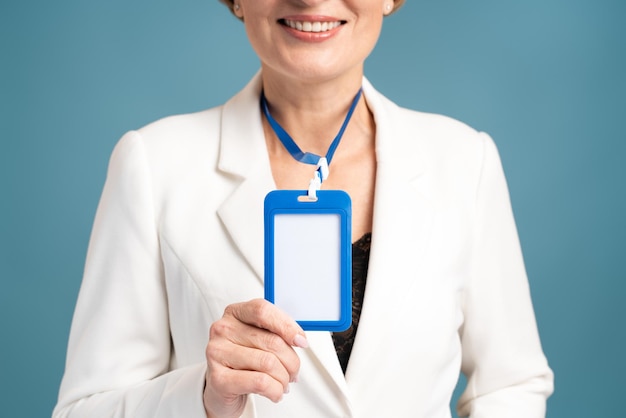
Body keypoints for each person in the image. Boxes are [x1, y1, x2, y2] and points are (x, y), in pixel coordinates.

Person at [53, 1, 554, 417]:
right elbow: (82, 409)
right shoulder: (153, 164)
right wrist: (203, 397)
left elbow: (511, 384)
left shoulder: (465, 161)